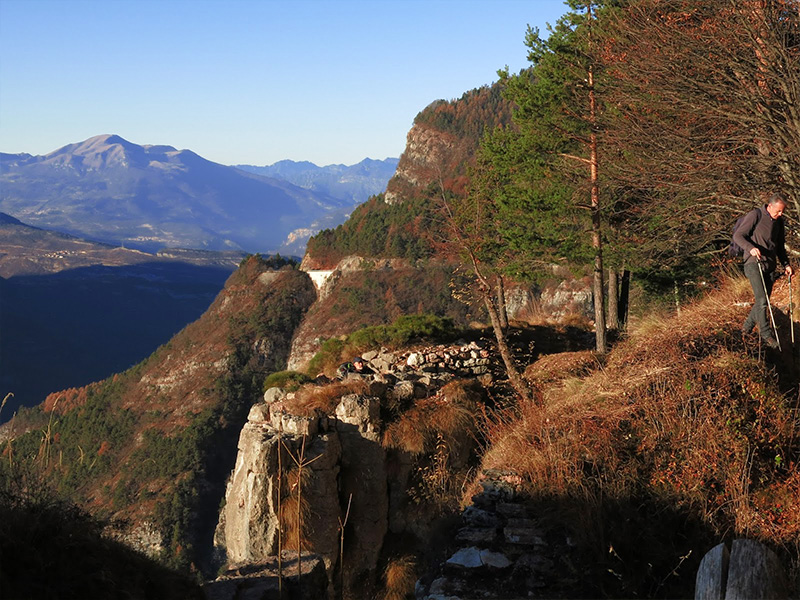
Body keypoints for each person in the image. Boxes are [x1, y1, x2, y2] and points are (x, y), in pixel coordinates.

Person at [734, 192, 793, 348]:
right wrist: (750, 248)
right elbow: (738, 236)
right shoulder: (756, 215)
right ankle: (766, 334)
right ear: (770, 206)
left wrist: (786, 264)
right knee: (761, 300)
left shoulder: (779, 222)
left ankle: (745, 330)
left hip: (770, 265)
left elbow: (780, 247)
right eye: (778, 211)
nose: (780, 214)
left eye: (782, 211)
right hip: (753, 263)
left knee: (764, 300)